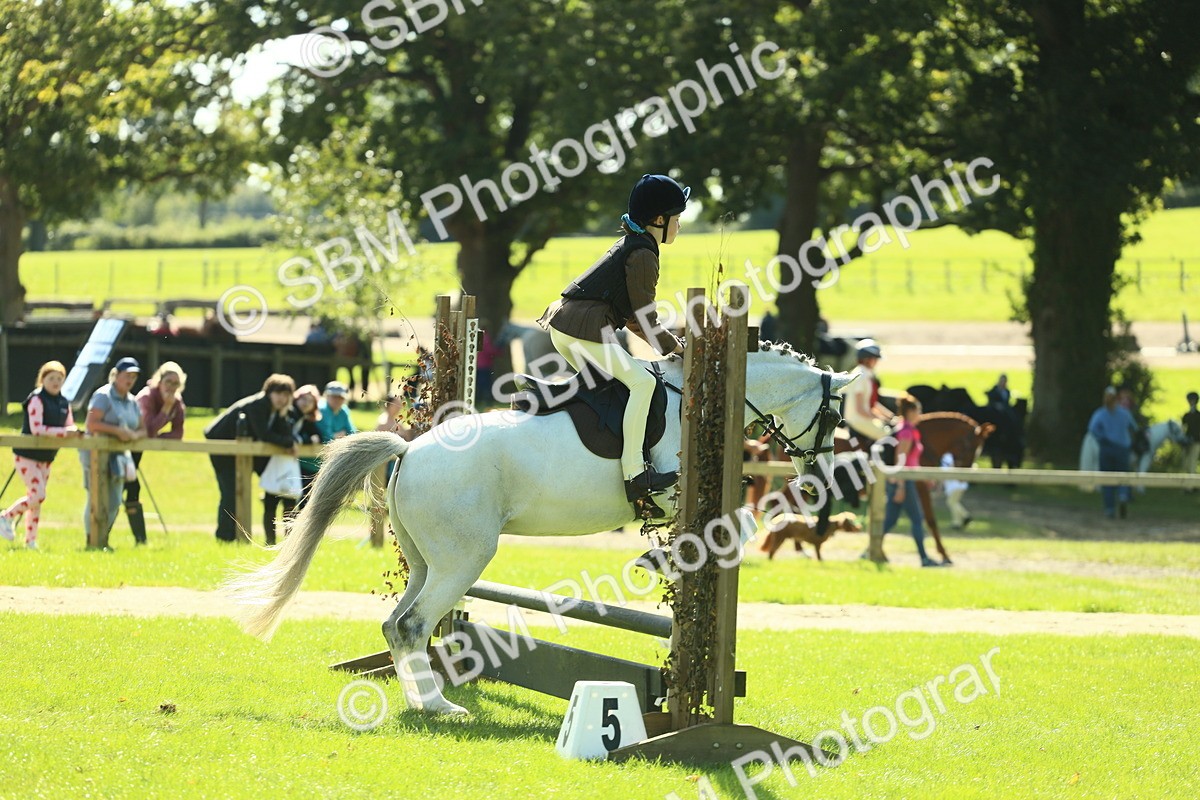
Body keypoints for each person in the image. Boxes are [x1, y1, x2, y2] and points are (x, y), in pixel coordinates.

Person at [537, 173, 687, 514]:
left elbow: (633, 318)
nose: (679, 226)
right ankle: (635, 473)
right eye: (676, 219)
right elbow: (646, 315)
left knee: (615, 387)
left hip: (569, 325)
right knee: (643, 383)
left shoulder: (635, 244)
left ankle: (595, 458)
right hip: (583, 328)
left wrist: (669, 344)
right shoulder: (644, 253)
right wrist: (675, 347)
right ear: (659, 220)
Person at [204, 374, 298, 542]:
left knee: (238, 493)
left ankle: (233, 536)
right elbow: (264, 434)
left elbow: (280, 432)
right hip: (223, 448)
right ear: (269, 392)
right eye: (278, 394)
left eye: (286, 395)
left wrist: (284, 420)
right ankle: (224, 537)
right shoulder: (258, 405)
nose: (282, 399)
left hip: (242, 453)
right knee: (231, 494)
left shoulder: (275, 411)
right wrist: (288, 443)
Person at [1, 361, 81, 549]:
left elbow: (69, 425)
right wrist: (63, 433)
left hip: (46, 457)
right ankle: (6, 516)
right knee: (38, 494)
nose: (55, 382)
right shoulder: (36, 399)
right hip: (27, 454)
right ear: (42, 379)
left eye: (59, 378)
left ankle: (31, 540)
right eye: (51, 378)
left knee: (36, 501)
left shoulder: (63, 402)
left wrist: (75, 432)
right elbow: (37, 429)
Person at [81, 357, 147, 547]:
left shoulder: (132, 401)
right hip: (95, 455)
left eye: (134, 377)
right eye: (127, 376)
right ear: (116, 375)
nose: (130, 380)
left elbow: (143, 429)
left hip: (118, 458)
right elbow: (91, 424)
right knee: (96, 496)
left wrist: (134, 435)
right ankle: (91, 539)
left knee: (115, 500)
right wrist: (118, 431)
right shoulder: (102, 396)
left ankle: (104, 538)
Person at [125, 361, 187, 545]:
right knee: (126, 486)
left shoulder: (177, 401)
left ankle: (140, 541)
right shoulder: (146, 397)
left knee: (131, 487)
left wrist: (160, 438)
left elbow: (178, 433)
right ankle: (106, 536)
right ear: (159, 381)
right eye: (168, 382)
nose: (171, 387)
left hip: (139, 447)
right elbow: (147, 430)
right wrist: (166, 410)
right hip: (124, 442)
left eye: (176, 384)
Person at [883, 395, 943, 567]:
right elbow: (900, 459)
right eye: (918, 410)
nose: (921, 414)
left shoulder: (909, 429)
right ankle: (924, 558)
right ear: (910, 412)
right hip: (903, 481)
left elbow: (912, 461)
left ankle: (868, 550)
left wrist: (924, 479)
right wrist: (901, 486)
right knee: (917, 519)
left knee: (890, 521)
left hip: (904, 480)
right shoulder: (906, 431)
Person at [1087, 386, 1137, 519]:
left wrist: (1102, 438)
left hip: (1106, 449)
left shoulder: (1100, 413)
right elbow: (1134, 427)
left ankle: (1109, 509)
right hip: (1122, 450)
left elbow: (1092, 429)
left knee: (1107, 479)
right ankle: (1123, 495)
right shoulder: (1125, 413)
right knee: (1123, 476)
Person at [842, 339, 893, 445]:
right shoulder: (861, 376)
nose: (876, 362)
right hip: (858, 420)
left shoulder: (866, 374)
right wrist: (882, 419)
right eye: (875, 359)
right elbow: (860, 409)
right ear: (868, 359)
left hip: (864, 418)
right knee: (889, 436)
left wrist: (890, 416)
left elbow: (871, 404)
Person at [292, 384, 324, 508]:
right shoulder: (290, 414)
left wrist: (308, 439)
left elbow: (318, 437)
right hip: (285, 464)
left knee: (302, 501)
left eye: (310, 401)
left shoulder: (307, 420)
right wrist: (306, 439)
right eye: (304, 399)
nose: (306, 403)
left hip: (299, 464)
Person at [940, 450, 972, 530]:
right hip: (954, 485)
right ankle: (957, 523)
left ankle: (965, 516)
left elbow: (951, 467)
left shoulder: (948, 456)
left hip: (956, 484)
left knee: (951, 502)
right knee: (954, 503)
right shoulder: (945, 456)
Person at [1183, 391, 1200, 491]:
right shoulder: (1186, 415)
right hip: (1187, 442)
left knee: (1192, 463)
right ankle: (1189, 484)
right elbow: (1183, 428)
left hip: (1197, 442)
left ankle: (1190, 487)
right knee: (1186, 463)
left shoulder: (1198, 415)